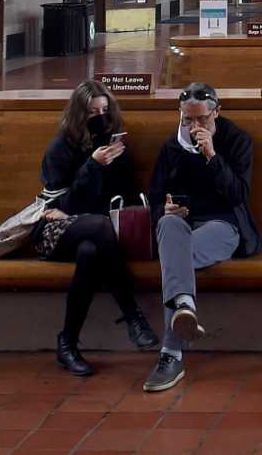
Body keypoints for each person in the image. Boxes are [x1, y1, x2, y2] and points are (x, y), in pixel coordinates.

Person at [34, 80, 159, 375]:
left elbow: (123, 199)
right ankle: (132, 316)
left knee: (91, 252)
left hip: (98, 236)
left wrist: (112, 162)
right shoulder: (61, 148)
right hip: (54, 233)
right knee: (99, 227)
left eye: (105, 110)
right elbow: (58, 207)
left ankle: (67, 344)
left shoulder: (116, 148)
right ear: (79, 115)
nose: (100, 117)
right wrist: (92, 165)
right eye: (92, 112)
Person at [143, 81, 260, 392]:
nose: (193, 127)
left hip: (223, 226)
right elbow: (154, 200)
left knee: (175, 257)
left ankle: (171, 354)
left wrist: (212, 156)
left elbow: (238, 195)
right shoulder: (171, 148)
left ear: (216, 114)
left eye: (201, 120)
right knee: (168, 228)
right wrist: (165, 210)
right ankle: (184, 306)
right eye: (187, 120)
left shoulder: (237, 141)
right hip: (181, 227)